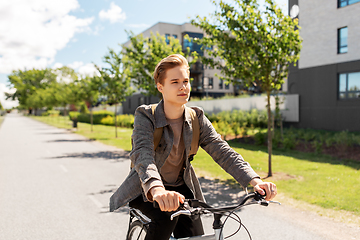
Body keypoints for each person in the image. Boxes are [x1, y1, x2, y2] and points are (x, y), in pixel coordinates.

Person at [109, 54, 277, 240]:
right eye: (175, 82)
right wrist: (158, 190)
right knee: (165, 220)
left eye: (186, 81)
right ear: (160, 87)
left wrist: (255, 181)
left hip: (181, 189)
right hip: (147, 190)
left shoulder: (196, 118)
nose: (183, 87)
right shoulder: (146, 115)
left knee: (195, 236)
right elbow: (142, 155)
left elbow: (222, 151)